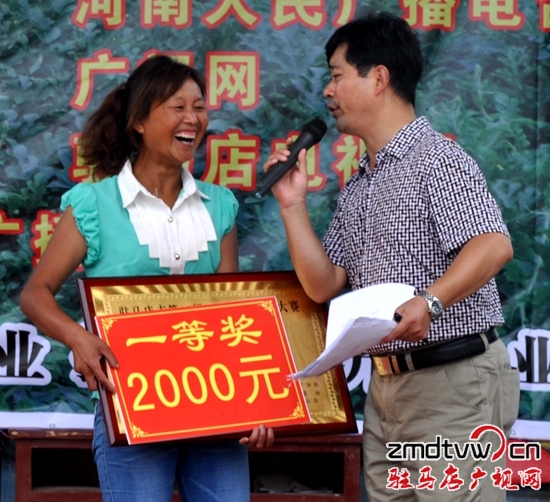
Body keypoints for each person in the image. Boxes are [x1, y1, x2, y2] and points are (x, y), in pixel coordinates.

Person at [265, 12, 520, 502]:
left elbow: (493, 244)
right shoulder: (361, 182)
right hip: (387, 390)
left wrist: (431, 302)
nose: (328, 91)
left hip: (451, 382)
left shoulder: (438, 159)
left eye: (337, 75)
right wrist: (292, 206)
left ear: (378, 78)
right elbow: (323, 284)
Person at [20, 55, 273, 502]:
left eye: (199, 107)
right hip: (130, 407)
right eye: (178, 107)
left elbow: (231, 315)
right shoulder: (94, 204)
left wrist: (253, 404)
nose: (193, 118)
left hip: (216, 411)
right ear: (138, 121)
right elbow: (35, 294)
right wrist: (79, 338)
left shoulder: (219, 206)